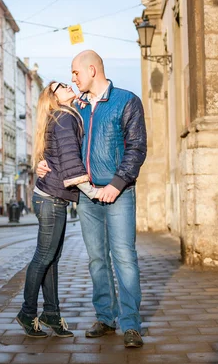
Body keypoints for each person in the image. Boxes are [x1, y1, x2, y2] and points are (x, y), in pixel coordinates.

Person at [37, 50, 147, 348]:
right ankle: (105, 317)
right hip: (88, 197)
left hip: (118, 193)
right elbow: (61, 145)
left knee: (123, 257)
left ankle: (131, 325)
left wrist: (117, 183)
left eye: (75, 73)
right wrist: (43, 163)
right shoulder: (77, 108)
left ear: (91, 70)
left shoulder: (126, 100)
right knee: (97, 259)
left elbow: (137, 148)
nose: (73, 78)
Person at [16, 80, 100, 338]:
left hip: (51, 196)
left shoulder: (66, 114)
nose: (67, 85)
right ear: (53, 98)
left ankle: (51, 313)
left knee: (51, 259)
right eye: (60, 86)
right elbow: (70, 159)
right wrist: (93, 192)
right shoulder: (64, 118)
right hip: (51, 198)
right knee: (43, 257)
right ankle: (27, 313)